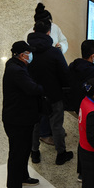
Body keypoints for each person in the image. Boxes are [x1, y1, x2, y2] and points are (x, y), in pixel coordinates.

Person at [27, 20, 73, 166]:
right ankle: (61, 154)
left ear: (34, 31)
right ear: (48, 32)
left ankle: (34, 152)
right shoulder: (54, 52)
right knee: (57, 125)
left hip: (34, 94)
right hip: (54, 95)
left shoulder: (27, 51)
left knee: (35, 124)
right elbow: (65, 74)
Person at [2, 41, 44, 188]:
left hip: (22, 118)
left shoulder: (15, 65)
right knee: (17, 152)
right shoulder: (16, 71)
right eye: (28, 53)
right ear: (21, 55)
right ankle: (13, 186)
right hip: (17, 120)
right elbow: (32, 89)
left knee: (25, 149)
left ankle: (23, 176)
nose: (30, 55)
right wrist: (43, 88)